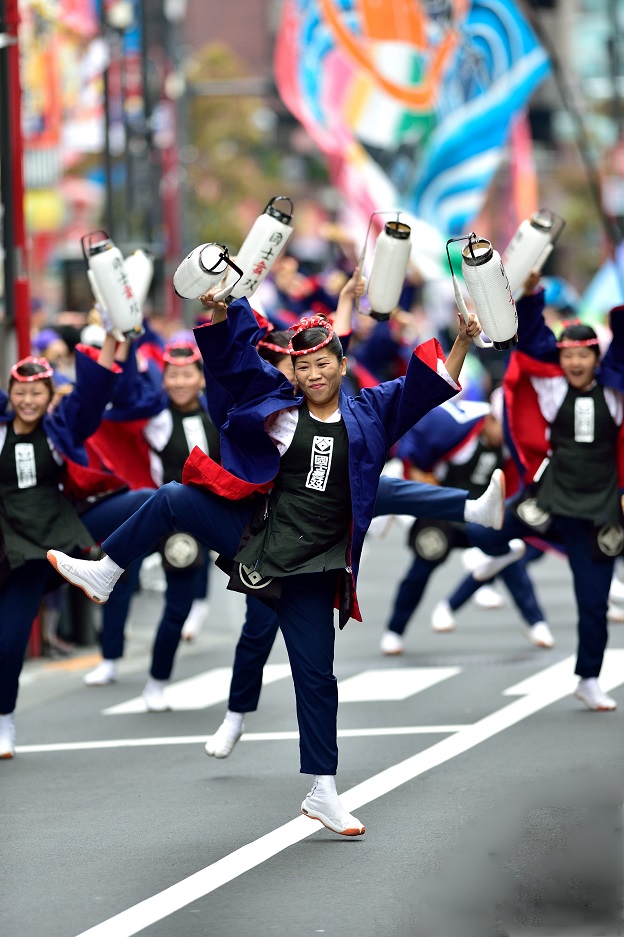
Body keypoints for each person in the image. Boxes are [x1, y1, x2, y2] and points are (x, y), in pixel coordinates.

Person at [48, 291, 482, 835]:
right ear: (294, 373)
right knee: (175, 497)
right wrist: (221, 310)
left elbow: (427, 388)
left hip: (315, 564)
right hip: (259, 536)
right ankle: (107, 569)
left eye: (325, 363)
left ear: (342, 366)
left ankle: (324, 791)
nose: (315, 373)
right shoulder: (277, 406)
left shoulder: (371, 412)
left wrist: (463, 338)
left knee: (317, 677)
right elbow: (233, 362)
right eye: (304, 366)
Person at [465, 279, 624, 711]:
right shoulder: (551, 385)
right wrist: (531, 294)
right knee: (482, 535)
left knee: (593, 603)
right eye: (568, 355)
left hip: (600, 509)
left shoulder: (615, 391)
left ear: (596, 357)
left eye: (582, 355)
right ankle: (502, 554)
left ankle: (588, 678)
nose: (574, 362)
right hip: (550, 496)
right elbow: (531, 337)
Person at [0, 327, 154, 759]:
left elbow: (91, 395)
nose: (28, 401)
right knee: (8, 643)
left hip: (56, 541)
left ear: (51, 396)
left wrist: (110, 338)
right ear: (9, 393)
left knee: (146, 499)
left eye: (37, 393)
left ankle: (109, 569)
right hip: (11, 548)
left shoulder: (60, 428)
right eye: (20, 392)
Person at [82, 338, 218, 710]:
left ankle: (157, 682)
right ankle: (109, 658)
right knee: (118, 580)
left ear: (200, 378)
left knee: (178, 603)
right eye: (172, 375)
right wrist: (129, 338)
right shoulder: (154, 415)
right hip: (149, 510)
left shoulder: (216, 414)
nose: (179, 382)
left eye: (187, 374)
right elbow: (125, 394)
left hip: (191, 524)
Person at [379, 395, 553, 655]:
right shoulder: (456, 427)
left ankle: (536, 623)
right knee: (424, 562)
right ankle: (394, 631)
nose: (505, 436)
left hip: (485, 513)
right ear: (490, 419)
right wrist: (422, 489)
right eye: (502, 428)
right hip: (444, 510)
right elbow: (413, 460)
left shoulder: (509, 444)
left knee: (510, 562)